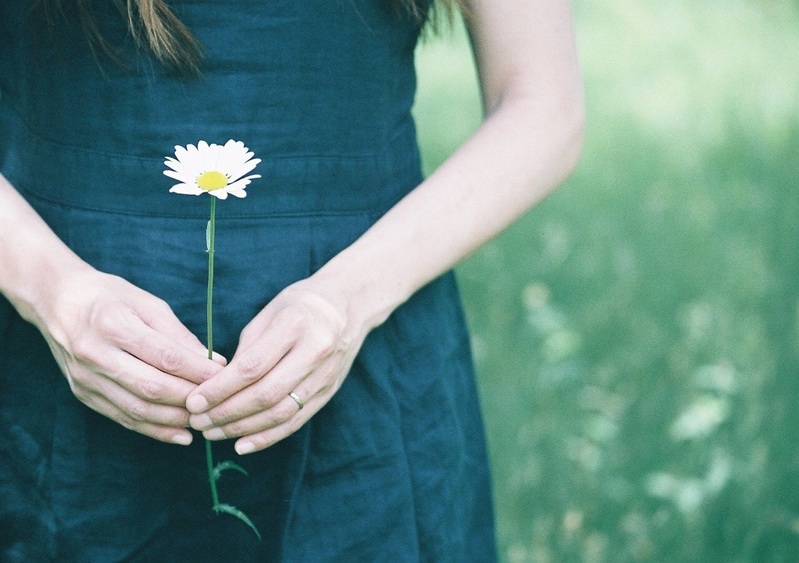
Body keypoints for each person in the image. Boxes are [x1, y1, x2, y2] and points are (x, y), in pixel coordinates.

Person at [0, 0, 583, 560]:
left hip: (367, 366)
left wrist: (350, 300)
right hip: (51, 366)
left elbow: (542, 105)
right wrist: (54, 292)